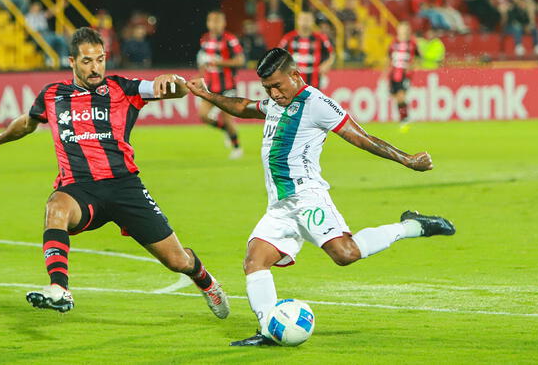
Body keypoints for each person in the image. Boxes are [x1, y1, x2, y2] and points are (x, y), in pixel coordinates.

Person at [185, 48, 455, 346]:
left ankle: (411, 226)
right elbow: (244, 107)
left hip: (306, 197)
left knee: (345, 254)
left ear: (295, 76)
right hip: (280, 205)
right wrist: (207, 95)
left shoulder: (316, 103)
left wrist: (406, 159)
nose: (273, 93)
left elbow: (361, 137)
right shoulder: (277, 102)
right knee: (255, 260)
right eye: (267, 88)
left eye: (277, 85)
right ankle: (268, 331)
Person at [0, 27, 230, 319]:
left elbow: (171, 89)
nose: (95, 67)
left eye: (100, 59)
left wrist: (174, 81)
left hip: (124, 186)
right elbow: (26, 123)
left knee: (177, 261)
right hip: (80, 189)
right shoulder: (52, 95)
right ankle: (59, 289)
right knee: (55, 207)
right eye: (87, 61)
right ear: (72, 61)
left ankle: (206, 281)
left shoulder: (121, 88)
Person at [197, 10, 245, 159]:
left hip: (227, 87)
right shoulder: (204, 40)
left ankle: (237, 147)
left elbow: (240, 60)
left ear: (223, 23)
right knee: (203, 116)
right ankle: (226, 131)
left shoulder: (230, 39)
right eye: (212, 21)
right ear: (208, 23)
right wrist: (199, 76)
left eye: (218, 21)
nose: (215, 25)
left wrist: (220, 62)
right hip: (210, 87)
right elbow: (204, 63)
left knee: (227, 118)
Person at [278, 11, 334, 90]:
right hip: (293, 80)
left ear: (312, 21)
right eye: (303, 19)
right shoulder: (288, 38)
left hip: (314, 80)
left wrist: (326, 65)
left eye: (308, 19)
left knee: (313, 101)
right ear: (298, 21)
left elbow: (331, 54)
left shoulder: (321, 38)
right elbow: (278, 56)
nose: (305, 22)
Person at [384, 21, 419, 124]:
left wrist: (412, 67)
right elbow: (389, 57)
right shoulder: (393, 42)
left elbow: (418, 57)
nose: (403, 30)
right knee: (396, 97)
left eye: (405, 28)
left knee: (401, 95)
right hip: (394, 74)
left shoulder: (412, 43)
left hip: (405, 74)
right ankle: (403, 117)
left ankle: (405, 118)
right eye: (401, 28)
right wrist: (385, 72)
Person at [25, 1, 69, 66]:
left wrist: (61, 5)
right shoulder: (28, 17)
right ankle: (49, 59)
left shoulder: (41, 15)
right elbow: (29, 30)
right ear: (31, 8)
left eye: (38, 7)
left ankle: (64, 58)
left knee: (61, 37)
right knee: (47, 39)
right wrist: (38, 35)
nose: (37, 8)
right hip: (37, 35)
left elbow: (51, 11)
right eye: (35, 7)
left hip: (47, 33)